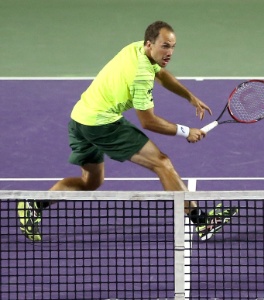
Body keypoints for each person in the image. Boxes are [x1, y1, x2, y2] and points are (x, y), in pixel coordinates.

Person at [17, 21, 238, 242]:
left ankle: (34, 204)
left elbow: (160, 74)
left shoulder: (136, 48)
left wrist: (189, 97)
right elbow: (148, 122)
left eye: (173, 46)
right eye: (165, 46)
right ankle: (201, 222)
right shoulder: (140, 76)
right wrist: (185, 131)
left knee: (90, 182)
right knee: (162, 163)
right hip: (102, 125)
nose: (169, 52)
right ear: (150, 44)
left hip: (80, 119)